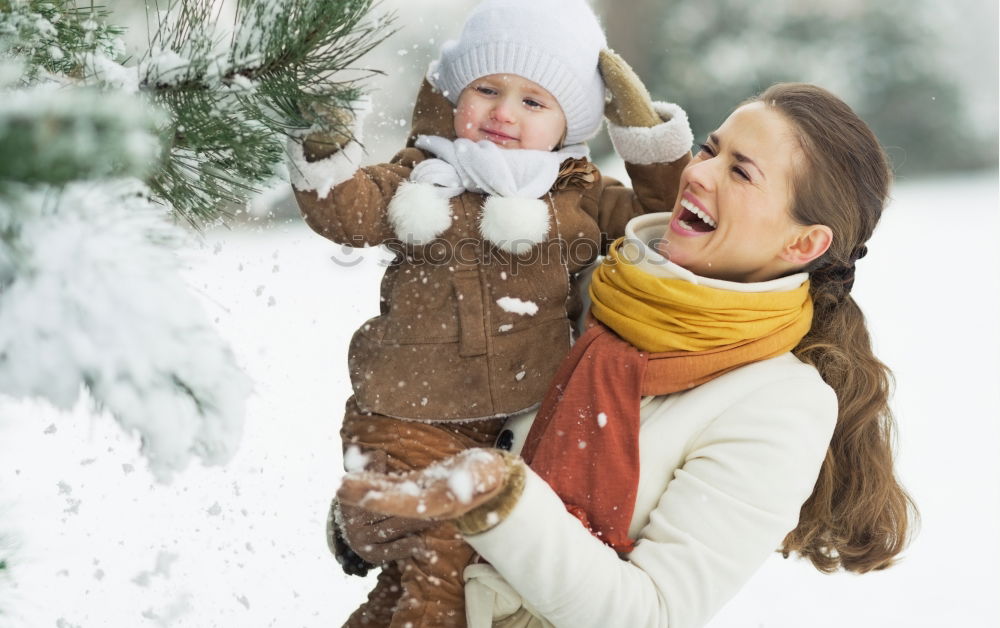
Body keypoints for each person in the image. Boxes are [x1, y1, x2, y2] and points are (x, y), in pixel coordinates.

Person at [338, 82, 917, 628]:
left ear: (803, 243)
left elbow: (652, 612)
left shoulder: (780, 404)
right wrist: (396, 506)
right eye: (709, 149)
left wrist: (495, 498)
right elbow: (470, 412)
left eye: (740, 172)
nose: (699, 173)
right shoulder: (589, 284)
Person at [287, 0, 693, 627]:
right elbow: (348, 210)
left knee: (426, 586)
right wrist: (323, 144)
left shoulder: (579, 197)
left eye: (534, 100)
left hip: (513, 433)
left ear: (571, 122)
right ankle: (367, 509)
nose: (504, 112)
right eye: (486, 89)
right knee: (445, 559)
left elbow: (668, 226)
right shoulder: (422, 177)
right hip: (403, 422)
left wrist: (646, 140)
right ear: (455, 95)